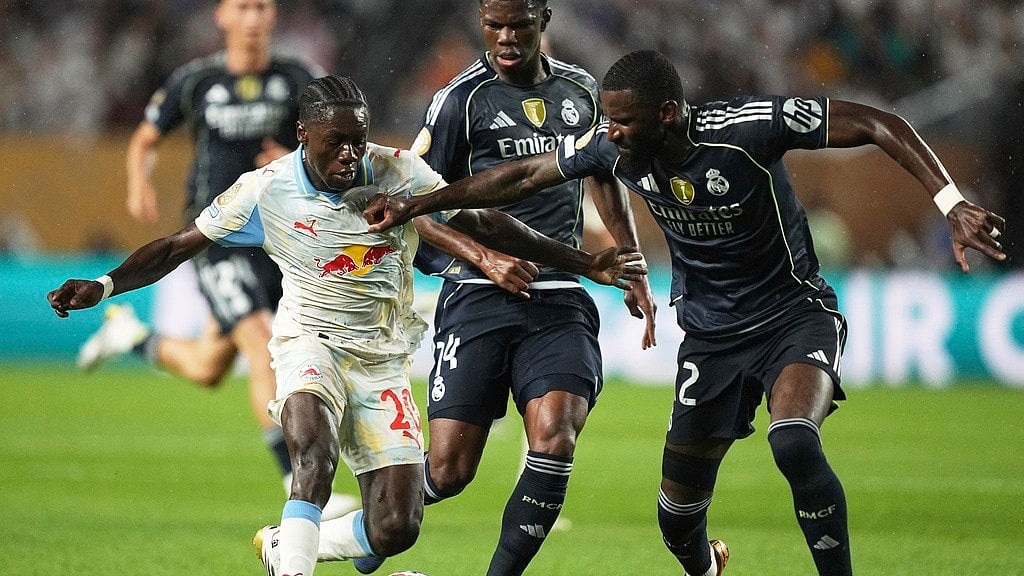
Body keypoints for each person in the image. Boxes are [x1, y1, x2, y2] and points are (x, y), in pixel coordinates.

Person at [363, 49, 1008, 576]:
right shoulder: (615, 150)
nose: (609, 136)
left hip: (792, 314)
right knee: (676, 519)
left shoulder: (746, 130)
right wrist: (422, 205)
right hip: (710, 339)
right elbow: (520, 178)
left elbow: (875, 123)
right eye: (606, 124)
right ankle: (706, 564)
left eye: (622, 123)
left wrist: (952, 204)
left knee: (792, 439)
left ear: (667, 114)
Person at [48, 75, 646, 576]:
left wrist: (584, 262)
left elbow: (486, 222)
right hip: (309, 343)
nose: (348, 156)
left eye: (356, 142)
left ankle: (290, 546)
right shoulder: (266, 189)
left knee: (397, 528)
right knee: (312, 452)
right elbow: (177, 246)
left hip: (383, 357)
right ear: (303, 136)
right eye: (335, 144)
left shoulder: (397, 171)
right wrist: (103, 286)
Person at [74, 0, 357, 516]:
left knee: (208, 366)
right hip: (218, 236)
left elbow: (334, 136)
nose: (253, 17)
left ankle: (131, 337)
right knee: (260, 339)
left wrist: (299, 161)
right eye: (243, 7)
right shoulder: (195, 81)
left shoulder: (298, 77)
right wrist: (138, 181)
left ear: (273, 17)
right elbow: (145, 137)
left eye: (263, 7)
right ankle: (297, 477)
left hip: (282, 236)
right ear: (222, 16)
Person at [406, 2, 655, 575]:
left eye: (519, 23)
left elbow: (603, 177)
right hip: (476, 291)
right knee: (448, 472)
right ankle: (355, 535)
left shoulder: (583, 90)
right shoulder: (459, 102)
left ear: (543, 17)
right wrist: (486, 258)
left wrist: (632, 264)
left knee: (556, 435)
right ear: (480, 21)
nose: (506, 37)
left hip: (562, 290)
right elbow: (414, 206)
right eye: (494, 25)